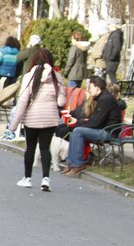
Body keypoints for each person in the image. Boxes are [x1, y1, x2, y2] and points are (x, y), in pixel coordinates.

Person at [10, 48, 65, 191]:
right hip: (50, 118)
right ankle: (46, 179)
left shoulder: (29, 76)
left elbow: (22, 101)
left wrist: (14, 125)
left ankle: (27, 178)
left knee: (30, 148)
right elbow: (61, 102)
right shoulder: (56, 77)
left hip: (32, 118)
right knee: (45, 148)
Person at [62, 76, 122, 177]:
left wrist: (77, 123)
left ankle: (78, 164)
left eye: (90, 88)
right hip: (102, 129)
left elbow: (96, 122)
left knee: (77, 131)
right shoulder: (101, 98)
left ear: (97, 87)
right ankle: (71, 163)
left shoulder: (105, 99)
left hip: (109, 132)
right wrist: (79, 123)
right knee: (74, 131)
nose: (88, 90)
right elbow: (94, 120)